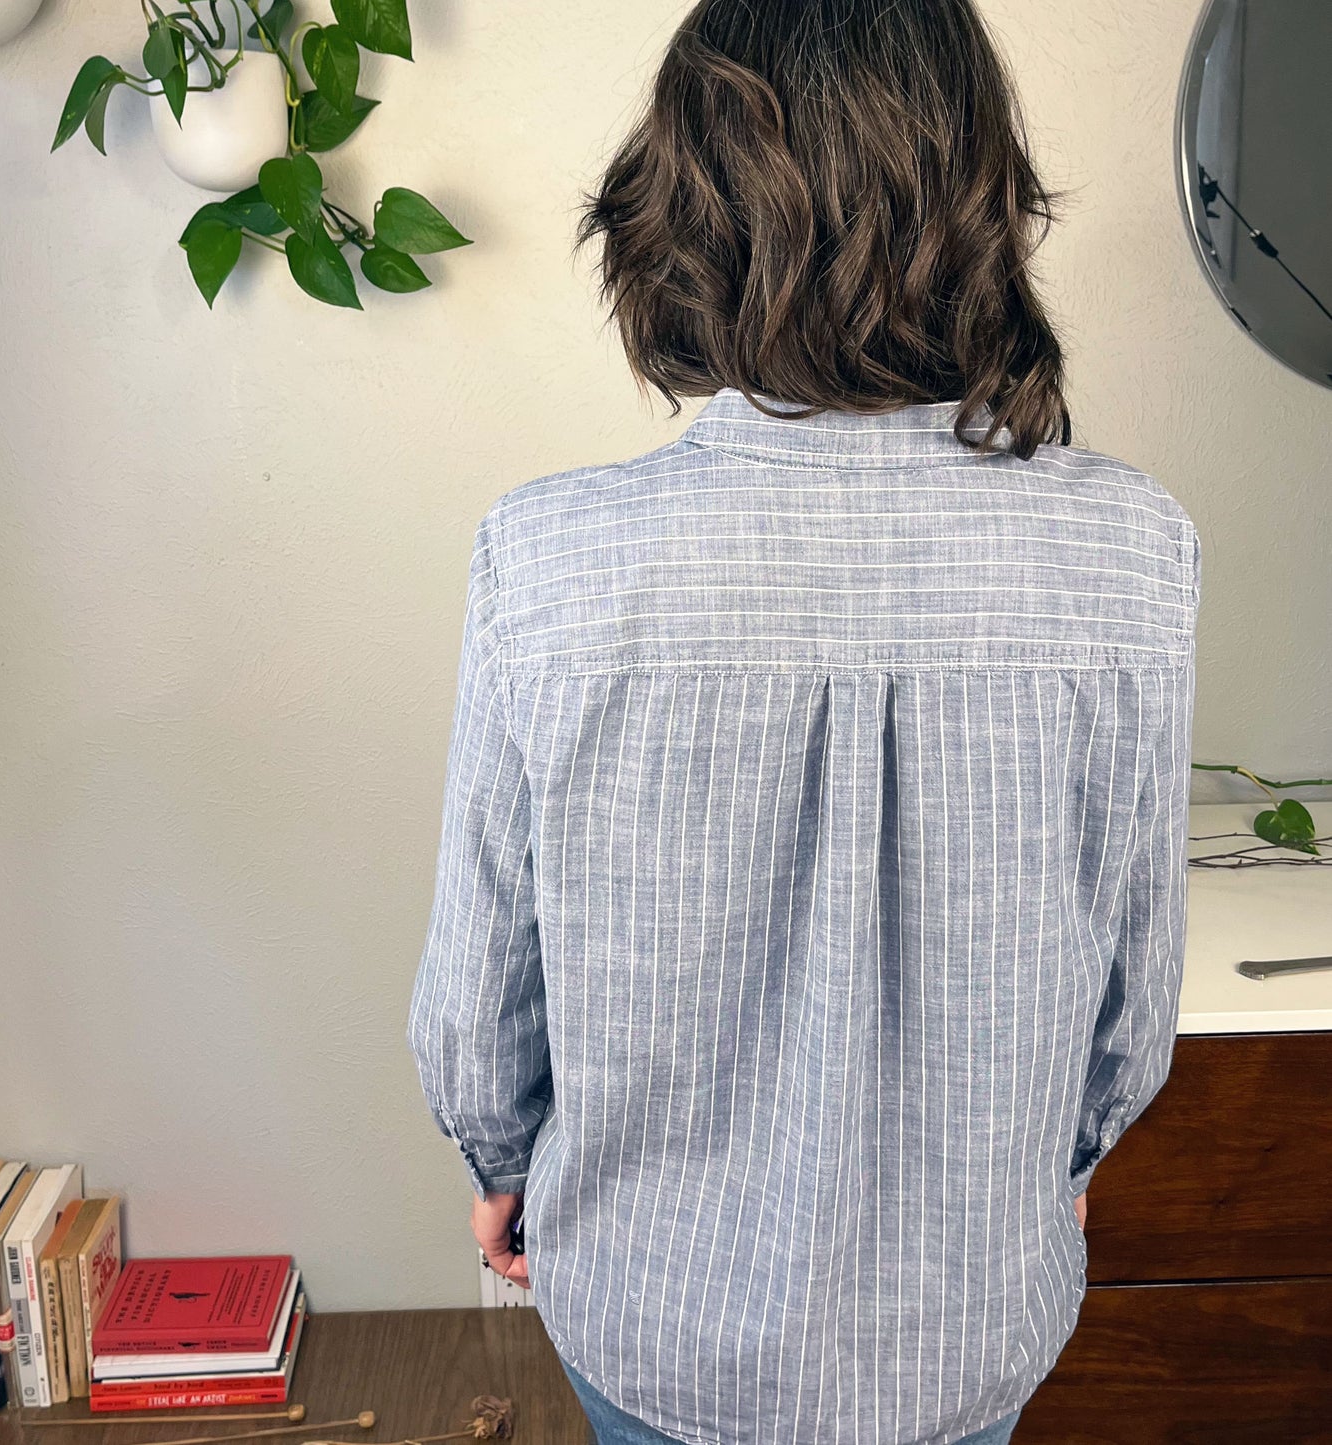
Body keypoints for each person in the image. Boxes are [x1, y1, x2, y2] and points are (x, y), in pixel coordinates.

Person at [407, 1, 1201, 1441]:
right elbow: (1130, 982)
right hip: (965, 1327)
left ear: (680, 207)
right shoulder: (1126, 549)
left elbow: (478, 992)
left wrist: (500, 1156)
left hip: (651, 1316)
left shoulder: (552, 554)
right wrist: (1070, 1156)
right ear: (977, 196)